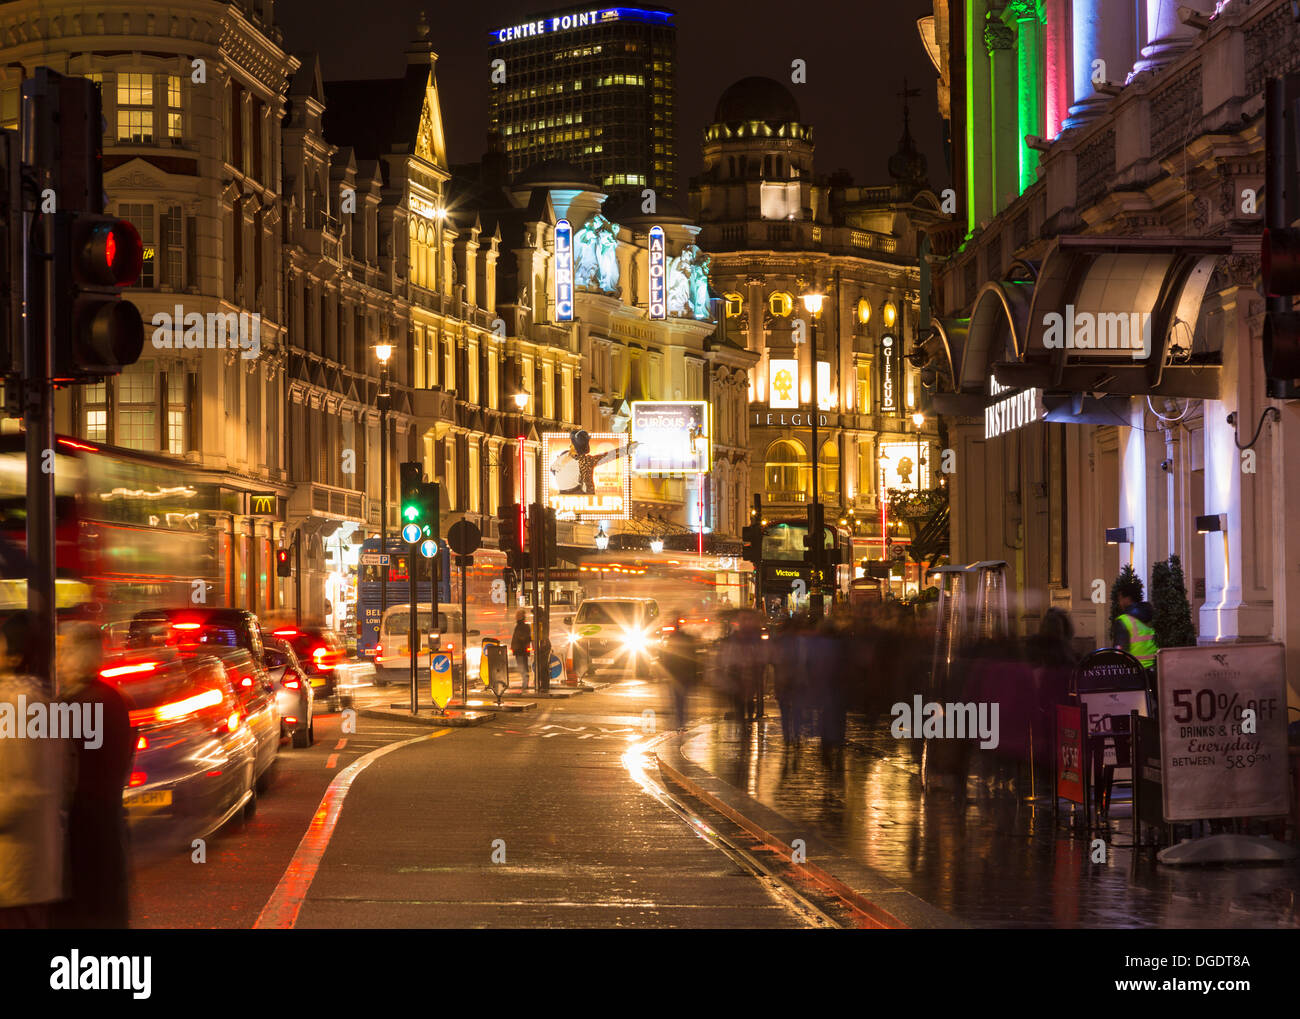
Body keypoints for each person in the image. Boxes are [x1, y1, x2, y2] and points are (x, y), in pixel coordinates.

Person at [50, 623, 134, 929]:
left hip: (81, 836)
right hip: (107, 831)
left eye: (67, 652)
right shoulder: (114, 698)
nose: (59, 660)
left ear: (83, 656)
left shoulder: (78, 705)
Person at [0, 612, 67, 929]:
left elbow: (21, 791)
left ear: (14, 656)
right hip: (30, 871)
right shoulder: (40, 701)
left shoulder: (16, 706)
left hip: (13, 874)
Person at [659, 613, 698, 731]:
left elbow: (667, 657)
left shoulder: (672, 639)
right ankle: (681, 722)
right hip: (684, 673)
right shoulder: (687, 638)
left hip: (676, 673)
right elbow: (693, 657)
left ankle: (679, 722)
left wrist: (665, 671)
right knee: (683, 699)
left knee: (678, 699)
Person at [1111, 578, 1157, 673]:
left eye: (1120, 599)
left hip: (1135, 671)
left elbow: (1119, 652)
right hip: (1155, 668)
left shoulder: (1123, 621)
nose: (1119, 603)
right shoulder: (1152, 614)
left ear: (1127, 598)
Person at [510, 610, 531, 692]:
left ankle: (525, 685)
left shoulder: (523, 626)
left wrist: (519, 640)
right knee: (522, 667)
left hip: (521, 650)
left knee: (523, 667)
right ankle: (525, 684)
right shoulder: (519, 625)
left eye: (518, 615)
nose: (516, 616)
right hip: (519, 650)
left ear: (522, 616)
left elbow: (524, 638)